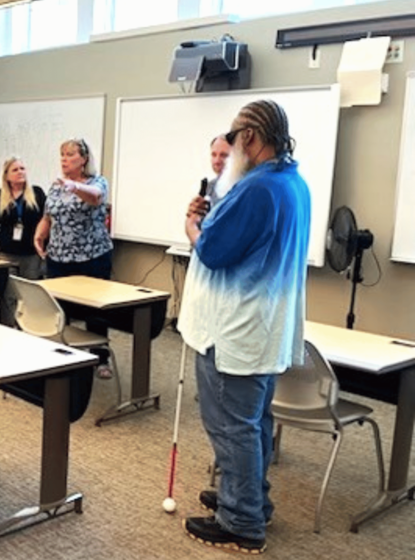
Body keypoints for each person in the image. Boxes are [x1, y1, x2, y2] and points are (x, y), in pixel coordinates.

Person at [178, 99, 310, 554]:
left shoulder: (257, 189)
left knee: (232, 426)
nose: (230, 149)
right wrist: (210, 214)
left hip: (234, 329)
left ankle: (241, 521)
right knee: (252, 423)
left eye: (233, 139)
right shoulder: (289, 182)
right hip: (260, 328)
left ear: (251, 137)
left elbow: (212, 250)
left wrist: (192, 224)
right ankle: (249, 497)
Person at [33, 137, 114, 378]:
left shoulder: (97, 182)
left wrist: (75, 187)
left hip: (92, 256)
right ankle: (64, 355)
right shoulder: (56, 185)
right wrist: (40, 233)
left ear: (84, 159)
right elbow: (49, 215)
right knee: (59, 308)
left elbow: (96, 197)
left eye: (70, 155)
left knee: (95, 311)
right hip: (58, 257)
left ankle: (101, 358)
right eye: (62, 155)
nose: (64, 160)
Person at [0, 157, 47, 326]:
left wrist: (45, 247)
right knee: (8, 295)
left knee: (30, 296)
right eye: (15, 170)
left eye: (22, 168)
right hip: (7, 253)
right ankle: (6, 329)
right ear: (6, 176)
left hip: (31, 253)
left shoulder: (37, 193)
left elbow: (46, 221)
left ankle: (30, 330)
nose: (20, 172)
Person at [204, 134, 233, 206]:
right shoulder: (210, 186)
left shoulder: (243, 186)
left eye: (223, 155)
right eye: (214, 155)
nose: (217, 161)